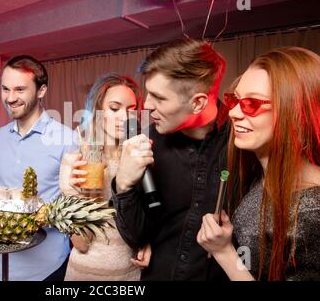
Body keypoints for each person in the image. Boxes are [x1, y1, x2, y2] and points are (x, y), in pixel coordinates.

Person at [197, 47, 320, 281]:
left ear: (295, 111)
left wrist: (224, 253)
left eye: (251, 103)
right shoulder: (262, 176)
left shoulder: (313, 213)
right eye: (234, 99)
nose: (233, 112)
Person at [111, 38, 230, 280]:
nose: (148, 106)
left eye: (159, 98)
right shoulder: (147, 142)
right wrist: (123, 184)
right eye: (148, 94)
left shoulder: (242, 143)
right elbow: (136, 236)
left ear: (197, 102)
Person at [0, 55, 77, 281]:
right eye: (5, 89)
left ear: (41, 91)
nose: (10, 98)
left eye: (19, 89)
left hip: (46, 269)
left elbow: (75, 206)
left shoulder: (67, 139)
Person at [60, 73, 148, 280]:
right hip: (86, 272)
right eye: (115, 109)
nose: (125, 118)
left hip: (130, 272)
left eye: (132, 110)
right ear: (97, 111)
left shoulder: (138, 156)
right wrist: (81, 194)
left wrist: (147, 241)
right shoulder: (76, 160)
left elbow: (145, 218)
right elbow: (81, 244)